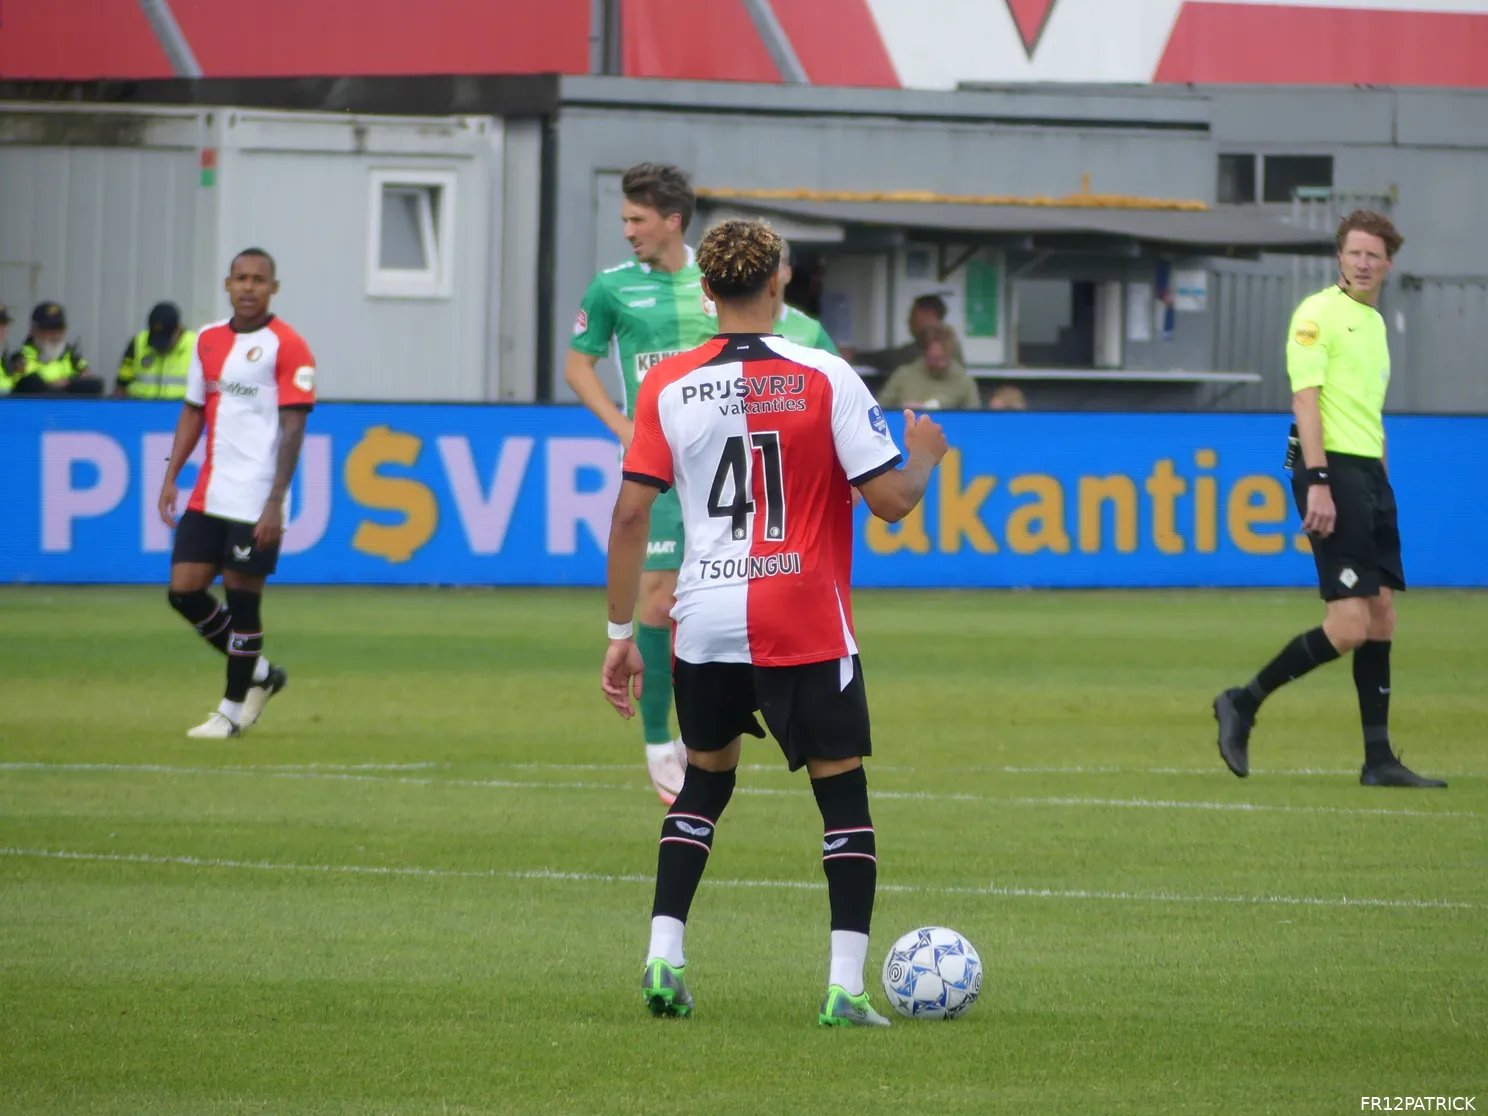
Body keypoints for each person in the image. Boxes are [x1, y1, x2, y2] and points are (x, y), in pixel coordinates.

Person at [600, 219, 948, 1026]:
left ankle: (662, 959)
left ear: (707, 290)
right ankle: (844, 989)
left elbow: (627, 516)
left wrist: (622, 637)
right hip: (802, 618)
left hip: (705, 619)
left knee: (704, 784)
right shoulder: (825, 374)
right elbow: (891, 503)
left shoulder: (668, 385)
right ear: (779, 283)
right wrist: (924, 450)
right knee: (843, 798)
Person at [1212, 210, 1445, 789]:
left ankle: (1378, 760)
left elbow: (1369, 411)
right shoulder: (1316, 315)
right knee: (1346, 626)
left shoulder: (1374, 323)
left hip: (1369, 475)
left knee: (1382, 615)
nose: (1364, 263)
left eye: (1375, 255)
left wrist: (1382, 482)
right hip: (1331, 471)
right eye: (1355, 253)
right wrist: (1317, 479)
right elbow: (1305, 402)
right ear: (1339, 257)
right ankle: (1243, 701)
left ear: (1388, 263)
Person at [565, 163, 714, 805]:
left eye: (637, 220)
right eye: (624, 219)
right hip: (659, 469)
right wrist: (623, 424)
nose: (627, 231)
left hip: (719, 467)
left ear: (672, 220)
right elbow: (579, 366)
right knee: (655, 601)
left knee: (711, 611)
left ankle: (708, 731)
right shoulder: (612, 289)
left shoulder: (717, 284)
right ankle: (660, 742)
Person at [157, 248, 313, 738]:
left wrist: (275, 500)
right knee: (183, 591)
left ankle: (229, 712)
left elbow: (292, 431)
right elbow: (193, 411)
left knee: (243, 603)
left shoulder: (289, 347)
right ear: (228, 284)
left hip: (255, 499)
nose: (248, 287)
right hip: (209, 493)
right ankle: (262, 674)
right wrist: (171, 475)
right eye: (240, 279)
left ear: (274, 288)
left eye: (258, 280)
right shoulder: (205, 340)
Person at [842, 293, 962, 371]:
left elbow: (896, 358)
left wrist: (857, 357)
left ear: (927, 313)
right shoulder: (946, 339)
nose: (909, 321)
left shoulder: (940, 341)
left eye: (914, 314)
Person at [878, 323, 981, 411]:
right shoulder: (903, 376)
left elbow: (976, 419)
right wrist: (902, 409)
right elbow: (878, 410)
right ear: (925, 353)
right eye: (935, 359)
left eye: (944, 358)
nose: (941, 364)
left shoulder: (964, 381)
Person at [10, 301, 96, 394]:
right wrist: (56, 386)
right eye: (48, 328)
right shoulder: (18, 361)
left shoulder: (74, 360)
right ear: (34, 330)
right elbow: (21, 389)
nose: (55, 334)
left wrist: (68, 383)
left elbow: (91, 386)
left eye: (59, 328)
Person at [116, 302, 196, 399]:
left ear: (178, 330)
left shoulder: (196, 345)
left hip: (181, 410)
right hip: (141, 408)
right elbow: (121, 384)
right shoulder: (138, 342)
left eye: (166, 339)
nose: (161, 347)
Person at [773, 238, 840, 353]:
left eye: (773, 270)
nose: (764, 278)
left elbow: (837, 370)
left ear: (787, 273)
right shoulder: (733, 324)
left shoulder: (811, 330)